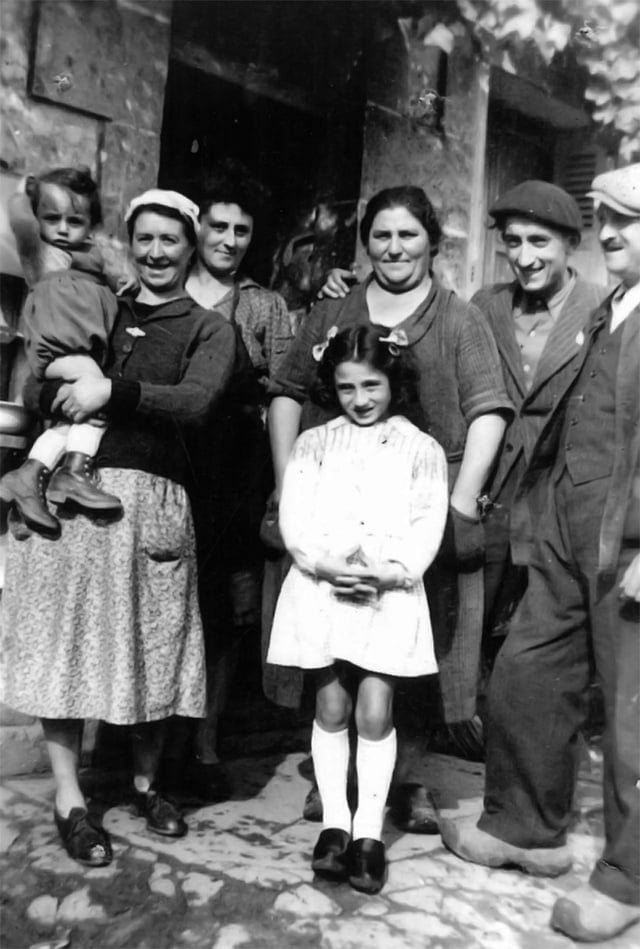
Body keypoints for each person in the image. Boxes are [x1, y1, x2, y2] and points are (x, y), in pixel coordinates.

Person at [0, 189, 237, 867]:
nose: (157, 252)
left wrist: (115, 390)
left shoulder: (207, 327)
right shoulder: (102, 302)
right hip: (71, 503)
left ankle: (145, 782)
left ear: (191, 246)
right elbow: (37, 379)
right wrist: (63, 386)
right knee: (64, 646)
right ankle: (71, 798)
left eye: (171, 240)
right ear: (129, 243)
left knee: (152, 645)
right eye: (146, 239)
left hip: (153, 502)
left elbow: (195, 403)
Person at [267, 185, 513, 828]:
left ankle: (405, 780)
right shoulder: (334, 310)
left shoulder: (458, 317)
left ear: (432, 241)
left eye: (408, 234)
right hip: (337, 508)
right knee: (333, 648)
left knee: (415, 654)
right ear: (365, 242)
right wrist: (289, 480)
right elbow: (288, 393)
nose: (394, 247)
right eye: (381, 235)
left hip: (419, 513)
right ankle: (334, 785)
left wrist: (458, 505)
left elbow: (489, 411)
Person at [440, 163, 640, 943]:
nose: (616, 233)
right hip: (566, 530)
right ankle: (525, 827)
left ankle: (627, 877)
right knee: (525, 671)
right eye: (609, 218)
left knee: (631, 718)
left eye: (633, 220)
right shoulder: (616, 305)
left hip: (628, 543)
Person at [268, 324, 448, 893]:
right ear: (332, 388)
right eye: (347, 389)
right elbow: (295, 519)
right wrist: (325, 563)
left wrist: (390, 570)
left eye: (371, 385)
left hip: (387, 594)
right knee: (331, 707)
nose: (360, 399)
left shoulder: (421, 448)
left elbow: (426, 526)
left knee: (374, 710)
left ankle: (369, 832)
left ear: (393, 381)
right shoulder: (314, 444)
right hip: (323, 587)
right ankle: (335, 829)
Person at [164, 166, 294, 802]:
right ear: (197, 228)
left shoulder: (266, 306)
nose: (230, 239)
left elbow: (286, 397)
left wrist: (281, 480)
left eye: (242, 230)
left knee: (223, 612)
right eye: (218, 225)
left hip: (235, 474)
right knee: (163, 601)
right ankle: (152, 740)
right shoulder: (160, 289)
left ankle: (206, 737)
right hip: (169, 464)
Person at [472, 181, 607, 659]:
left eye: (539, 241)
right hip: (492, 496)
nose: (524, 257)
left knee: (544, 649)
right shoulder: (486, 305)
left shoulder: (603, 309)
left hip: (559, 501)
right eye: (513, 241)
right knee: (471, 634)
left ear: (570, 243)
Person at [0, 166, 136, 536]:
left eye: (74, 220)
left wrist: (122, 280)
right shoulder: (41, 256)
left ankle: (28, 479)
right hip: (59, 350)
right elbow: (21, 224)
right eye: (52, 218)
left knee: (69, 420)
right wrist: (23, 194)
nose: (62, 228)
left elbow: (118, 279)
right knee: (98, 401)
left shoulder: (93, 256)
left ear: (90, 223)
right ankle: (74, 472)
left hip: (82, 353)